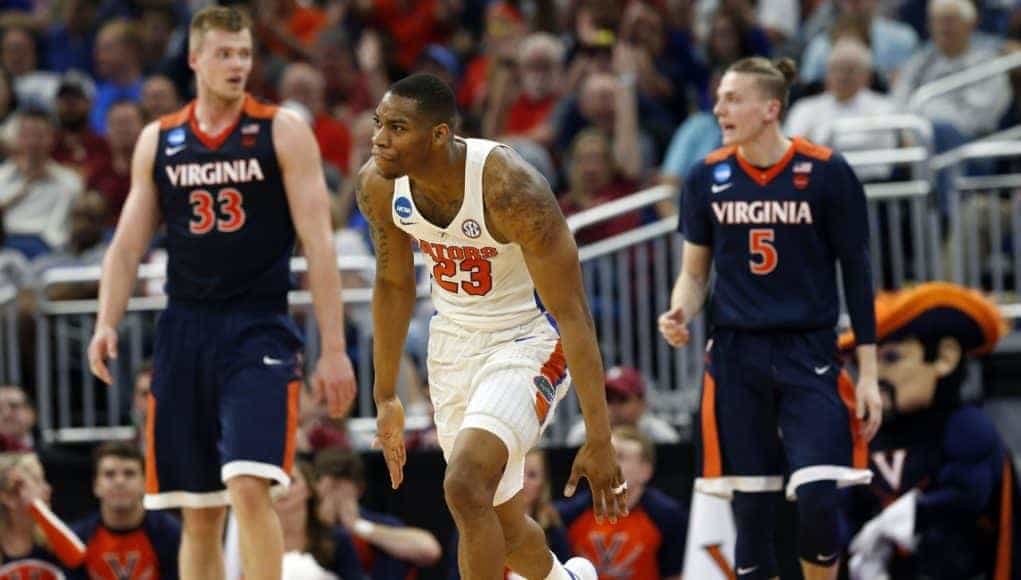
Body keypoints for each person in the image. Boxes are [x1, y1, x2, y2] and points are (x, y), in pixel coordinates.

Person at [86, 7, 357, 580]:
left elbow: (320, 246)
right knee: (200, 511)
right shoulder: (160, 140)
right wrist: (106, 321)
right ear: (194, 59)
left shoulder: (280, 129)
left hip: (258, 326)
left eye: (245, 54)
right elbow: (127, 245)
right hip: (184, 328)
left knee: (249, 484)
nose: (237, 65)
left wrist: (333, 348)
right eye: (224, 54)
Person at [357, 72, 625, 580]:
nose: (379, 138)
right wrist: (386, 394)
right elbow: (392, 286)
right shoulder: (378, 183)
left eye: (396, 127)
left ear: (438, 134)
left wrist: (600, 437)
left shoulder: (510, 187)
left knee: (462, 486)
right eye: (378, 124)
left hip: (527, 338)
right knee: (499, 522)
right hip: (452, 343)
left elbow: (572, 313)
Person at [659, 56, 881, 580]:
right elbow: (694, 275)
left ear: (770, 108)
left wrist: (868, 372)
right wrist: (679, 309)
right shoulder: (706, 175)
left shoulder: (827, 172)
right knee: (751, 516)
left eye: (733, 98)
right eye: (718, 98)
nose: (719, 109)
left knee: (819, 500)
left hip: (810, 352)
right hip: (737, 355)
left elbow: (859, 275)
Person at [838, 283, 1020, 580]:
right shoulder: (864, 436)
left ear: (944, 358)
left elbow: (965, 499)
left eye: (891, 358)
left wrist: (909, 516)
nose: (876, 376)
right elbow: (846, 510)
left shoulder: (966, 426)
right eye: (865, 364)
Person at [558, 427, 687, 580]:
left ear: (645, 471)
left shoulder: (669, 517)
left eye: (620, 457)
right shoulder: (565, 516)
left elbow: (675, 575)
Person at [314, 449, 442, 578]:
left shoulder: (378, 524)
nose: (336, 496)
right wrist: (322, 526)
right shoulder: (302, 528)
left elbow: (429, 550)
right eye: (331, 487)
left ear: (359, 489)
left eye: (341, 488)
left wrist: (357, 526)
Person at [69, 442, 181, 579]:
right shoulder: (77, 538)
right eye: (109, 474)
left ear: (145, 483)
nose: (120, 481)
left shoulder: (171, 533)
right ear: (96, 485)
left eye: (129, 474)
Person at [566, 366, 681, 446]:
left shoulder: (661, 436)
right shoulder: (582, 435)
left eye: (622, 399)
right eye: (608, 399)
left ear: (642, 403)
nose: (614, 407)